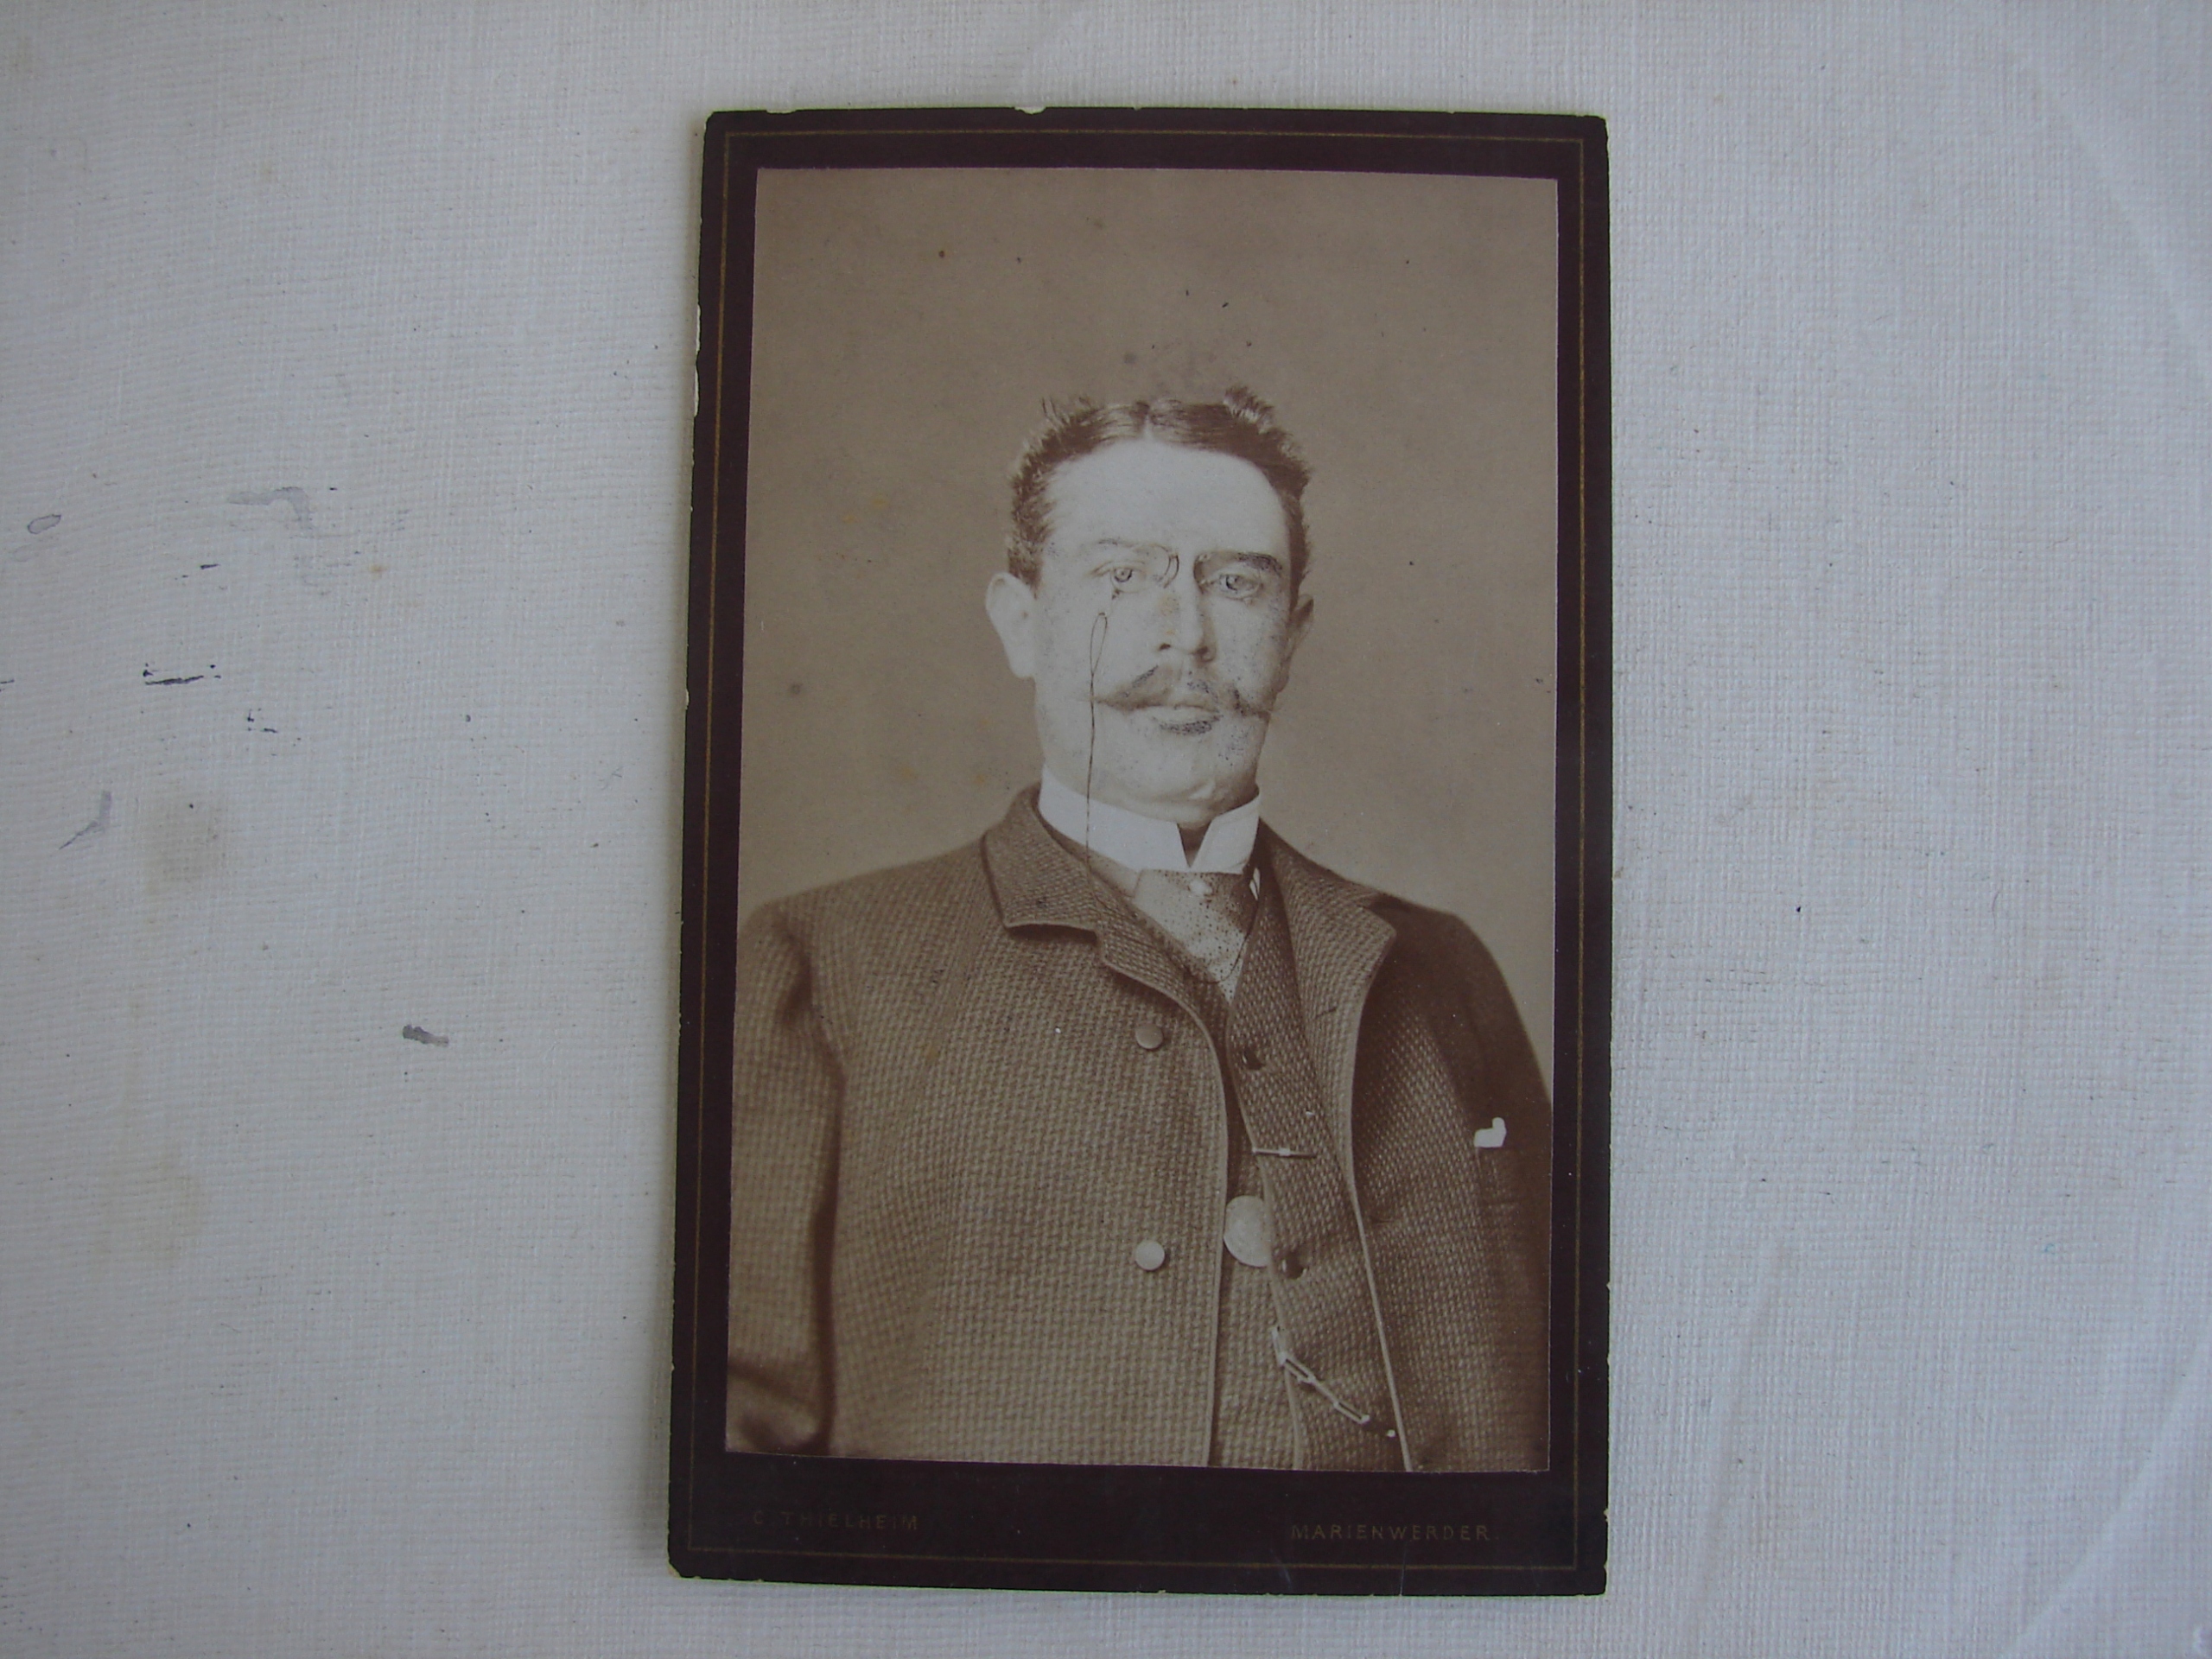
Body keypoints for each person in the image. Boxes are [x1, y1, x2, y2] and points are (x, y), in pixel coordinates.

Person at [726, 388, 1551, 1471]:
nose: (1187, 635)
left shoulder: (1444, 971)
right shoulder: (819, 970)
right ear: (1020, 622)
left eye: (1237, 583)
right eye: (1122, 576)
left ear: (1293, 635)